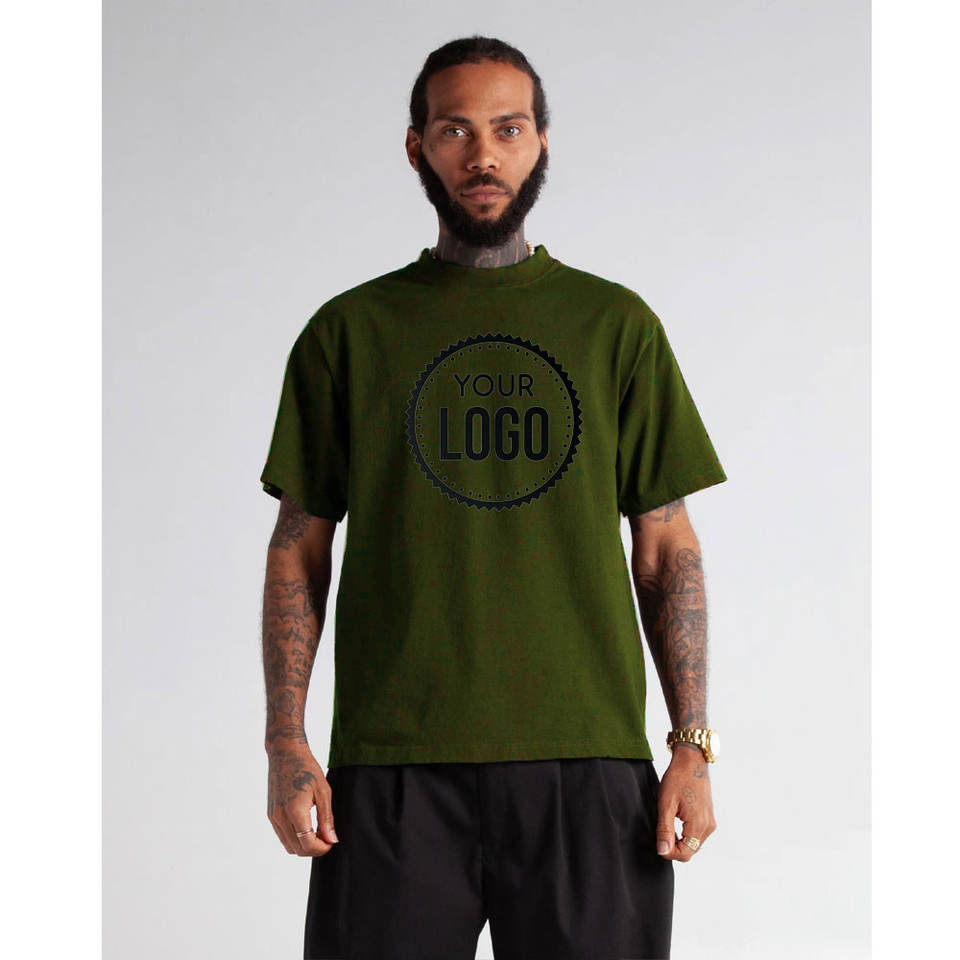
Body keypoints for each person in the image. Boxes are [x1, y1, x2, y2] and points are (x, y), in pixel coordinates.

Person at [259, 35, 726, 960]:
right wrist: (285, 741)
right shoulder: (349, 331)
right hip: (392, 767)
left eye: (508, 129)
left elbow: (667, 546)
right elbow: (298, 548)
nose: (483, 155)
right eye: (455, 131)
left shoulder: (614, 325)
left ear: (541, 141)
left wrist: (692, 745)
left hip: (589, 764)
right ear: (417, 148)